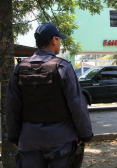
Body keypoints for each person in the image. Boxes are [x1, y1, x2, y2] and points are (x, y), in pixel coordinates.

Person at [6, 23, 93, 167]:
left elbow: (12, 105)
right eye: (59, 39)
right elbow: (77, 105)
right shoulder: (63, 67)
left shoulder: (19, 69)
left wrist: (14, 136)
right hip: (60, 142)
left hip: (29, 140)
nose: (60, 43)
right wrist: (85, 135)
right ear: (54, 40)